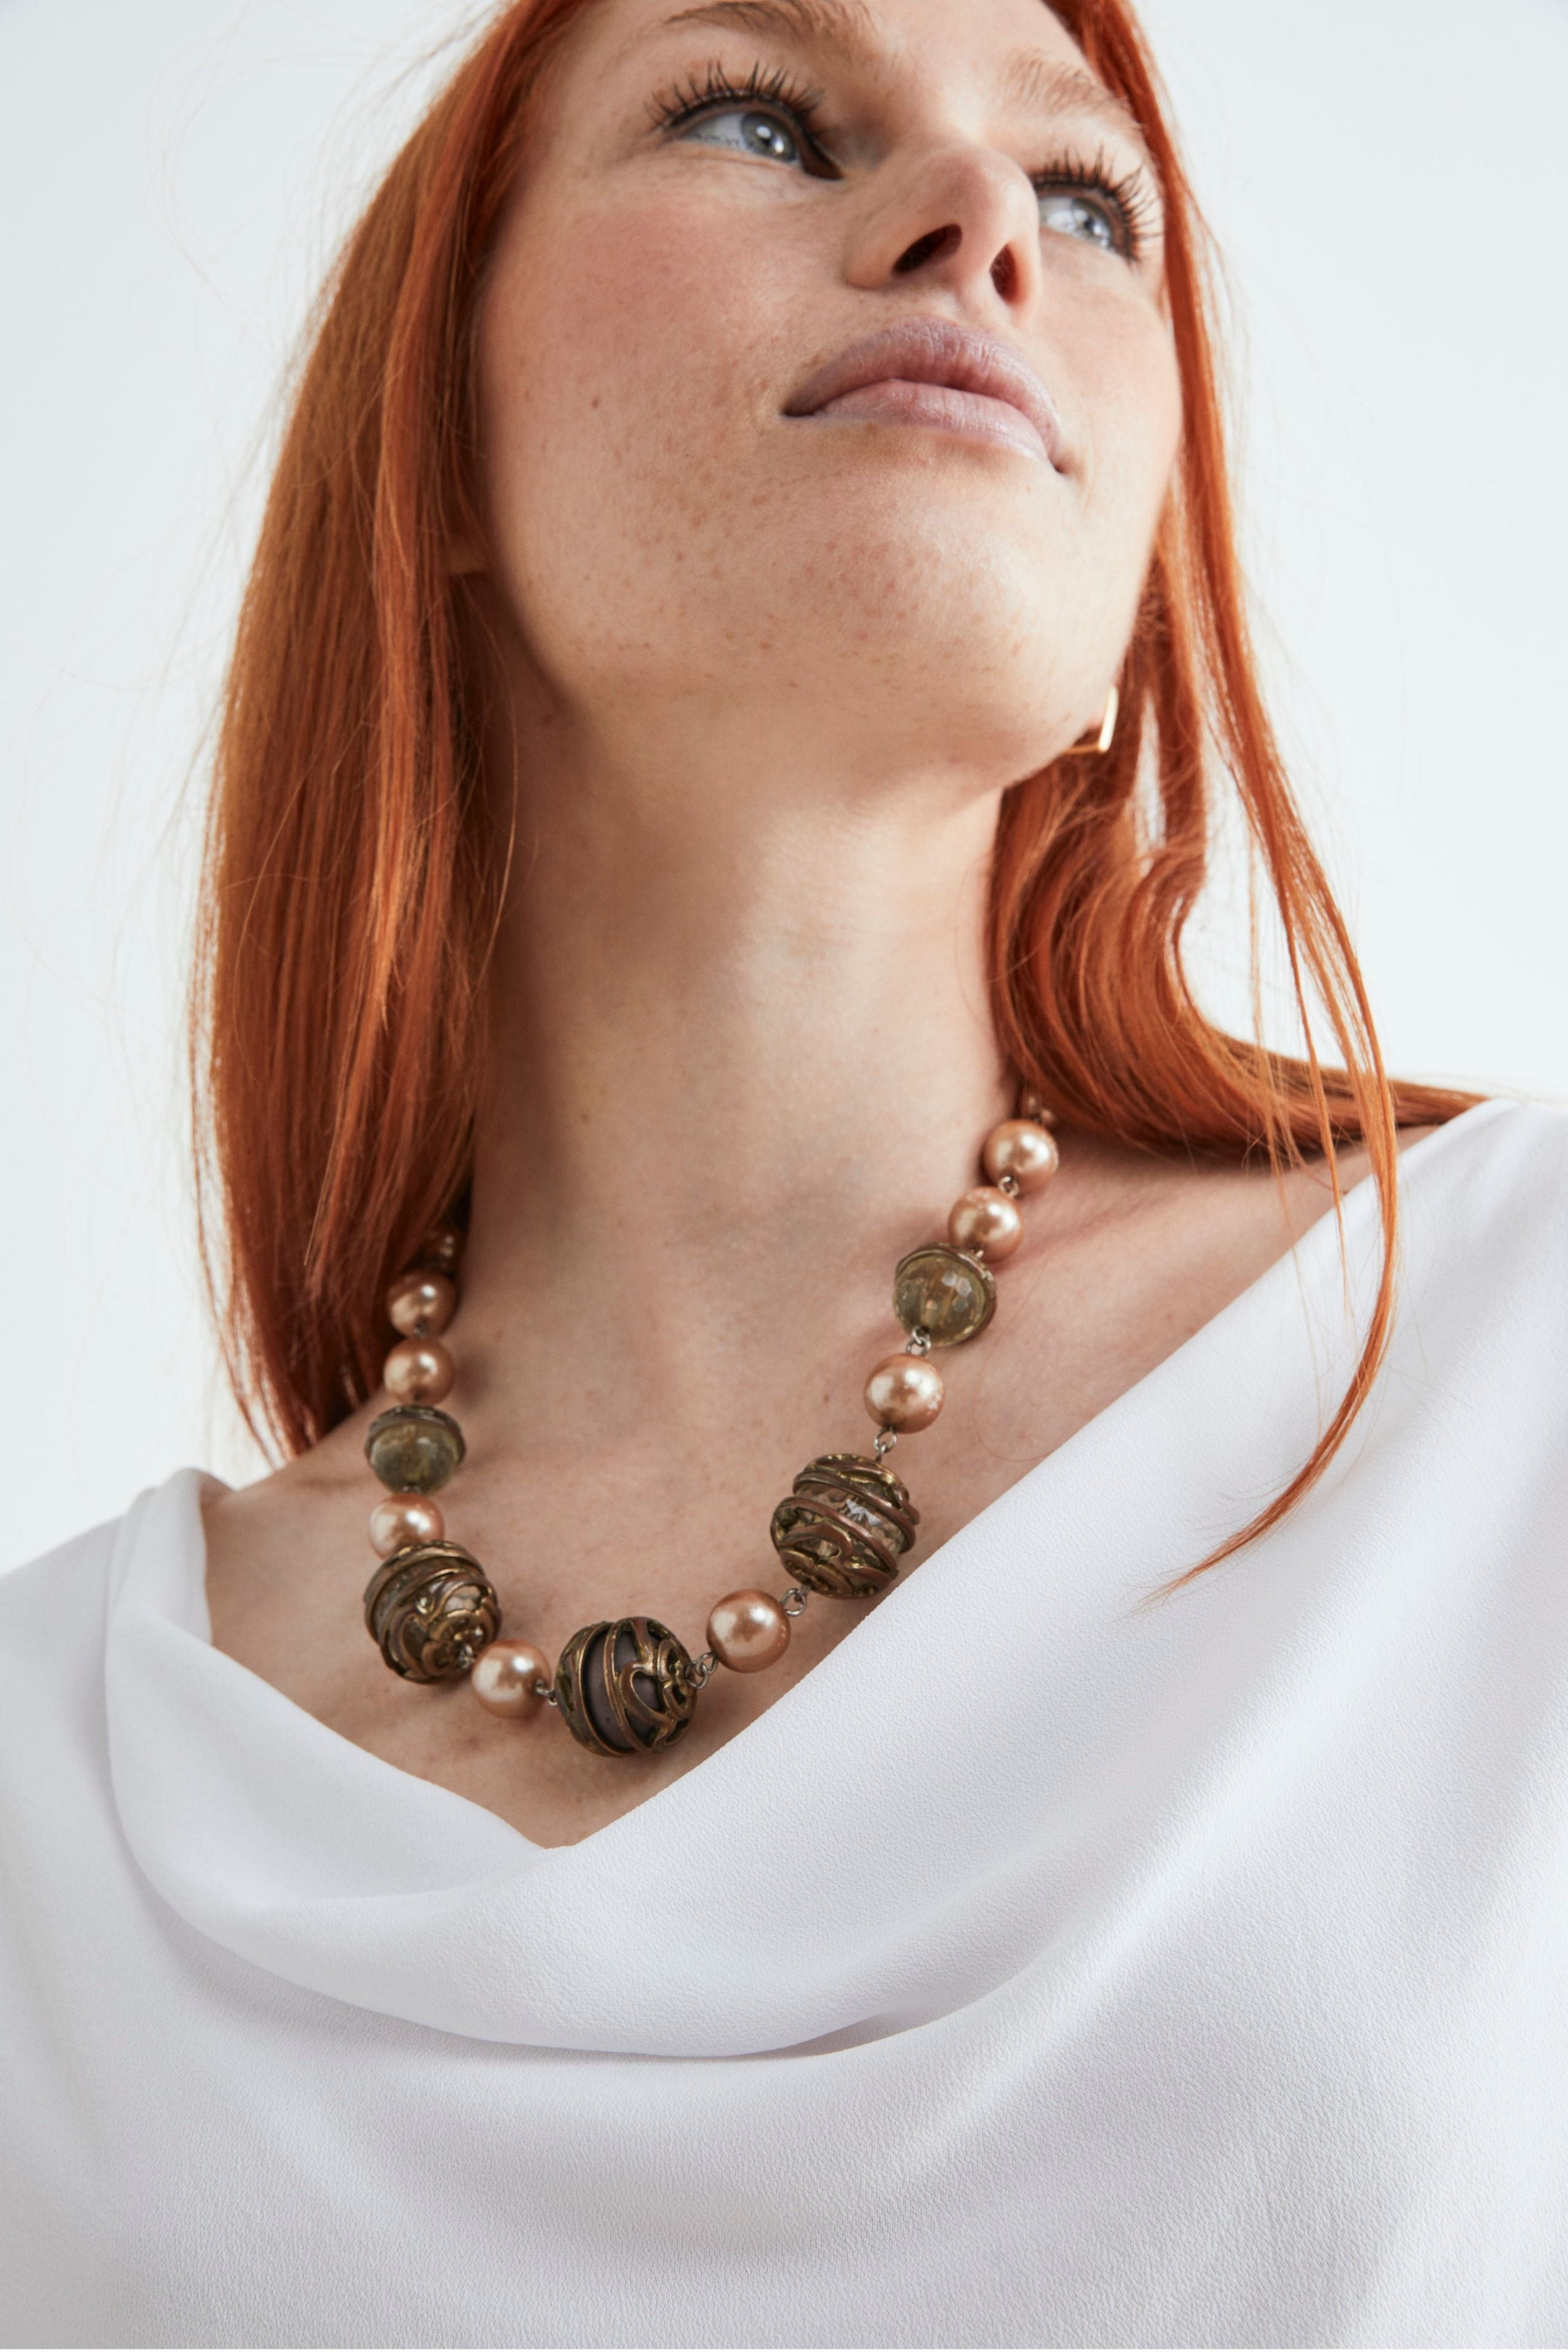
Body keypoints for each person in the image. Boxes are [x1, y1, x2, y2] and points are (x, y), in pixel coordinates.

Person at [4, 0, 1565, 2343]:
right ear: (435, 443)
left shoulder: (1516, 1371)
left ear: (1143, 566)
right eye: (757, 114)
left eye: (1089, 200)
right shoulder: (51, 1789)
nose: (980, 224)